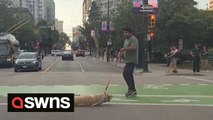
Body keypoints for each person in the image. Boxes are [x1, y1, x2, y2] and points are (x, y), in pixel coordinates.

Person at [120, 27, 138, 97]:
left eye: (126, 32)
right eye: (124, 32)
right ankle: (132, 89)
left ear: (130, 33)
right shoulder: (126, 40)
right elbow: (125, 50)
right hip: (127, 60)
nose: (125, 34)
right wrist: (122, 54)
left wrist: (124, 49)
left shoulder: (133, 39)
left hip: (132, 60)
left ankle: (131, 89)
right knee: (127, 74)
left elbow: (134, 48)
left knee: (126, 73)